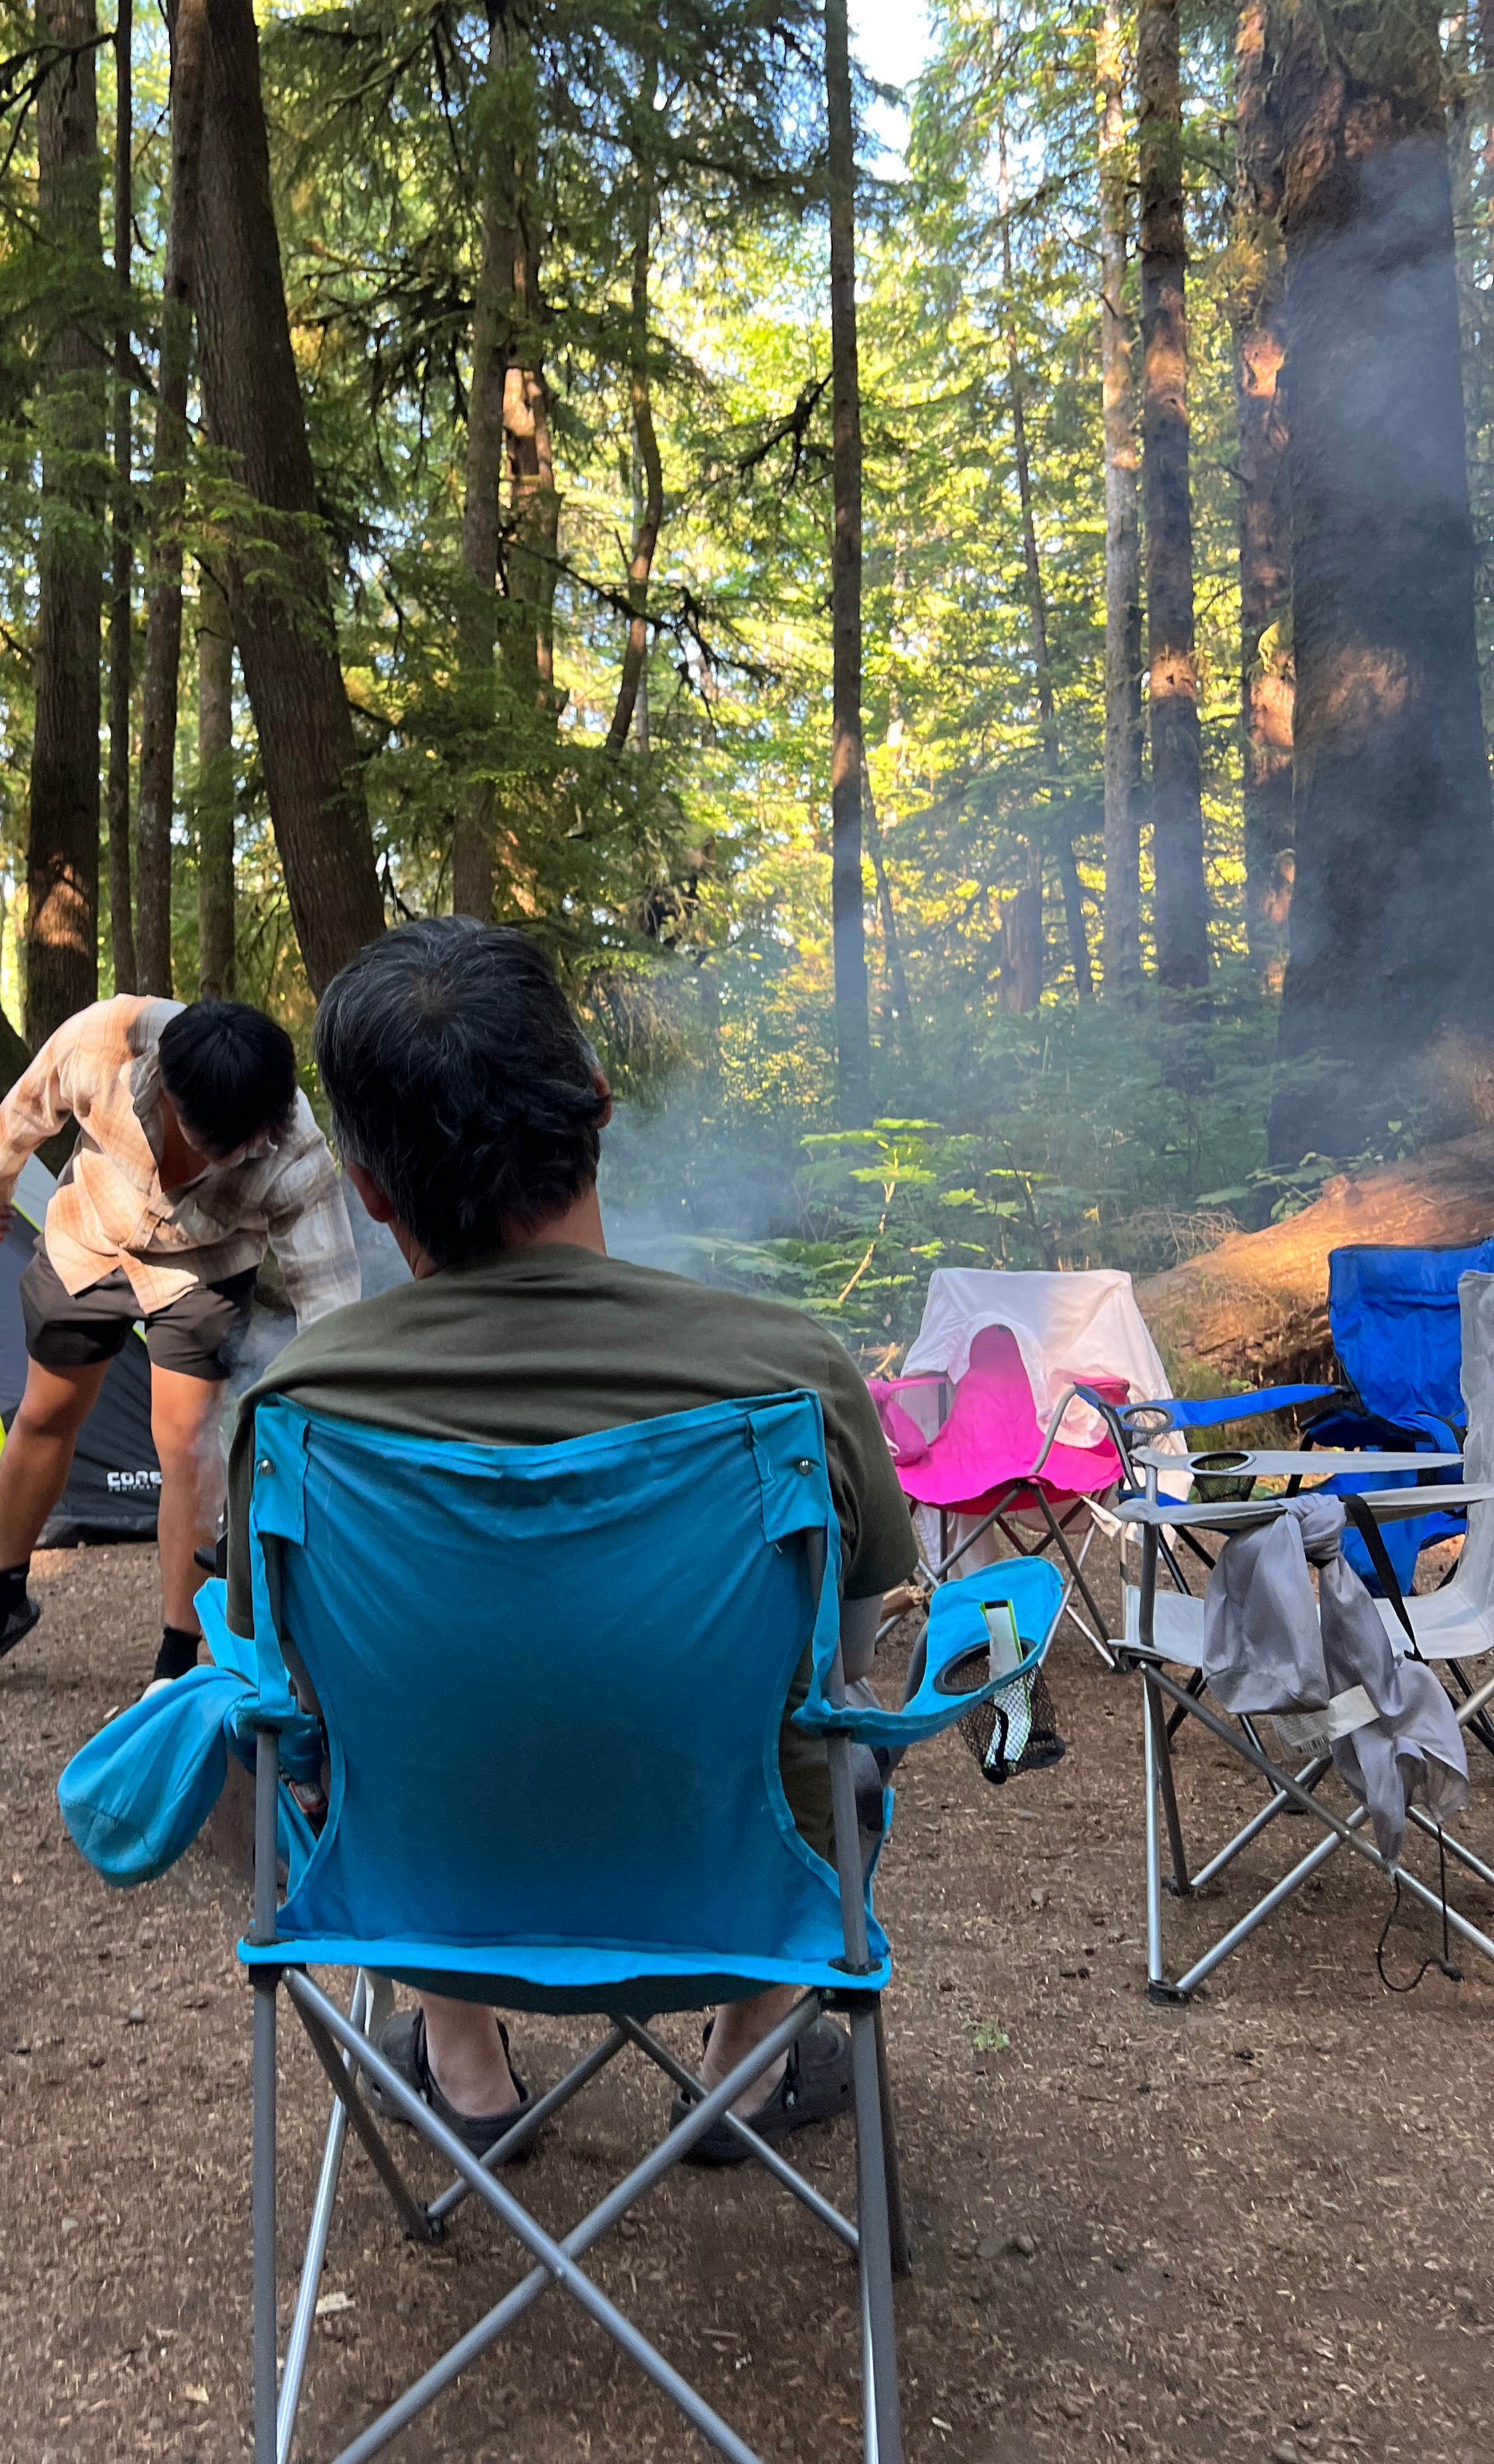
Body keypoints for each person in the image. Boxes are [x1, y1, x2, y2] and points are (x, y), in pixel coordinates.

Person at [223, 918, 917, 2166]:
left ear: (372, 1191)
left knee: (365, 1737)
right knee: (828, 1729)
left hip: (420, 1891)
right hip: (727, 1890)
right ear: (595, 1107)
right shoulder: (788, 1378)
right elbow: (839, 1657)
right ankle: (737, 2077)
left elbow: (296, 1687)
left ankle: (467, 2070)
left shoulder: (298, 1409)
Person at [0, 995, 360, 1703]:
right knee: (44, 1416)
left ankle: (177, 1662)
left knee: (186, 1444)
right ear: (172, 1096)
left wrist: (338, 1409)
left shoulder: (292, 1153)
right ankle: (1, 1603)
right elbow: (34, 1098)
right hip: (90, 1237)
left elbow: (331, 1298)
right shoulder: (107, 1044)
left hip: (201, 1272)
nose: (235, 1160)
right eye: (219, 1147)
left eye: (245, 1149)